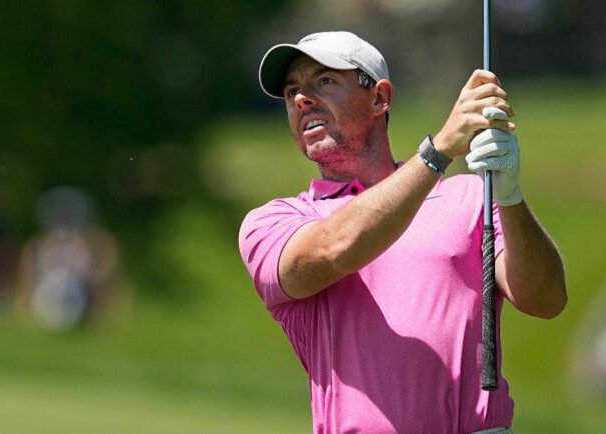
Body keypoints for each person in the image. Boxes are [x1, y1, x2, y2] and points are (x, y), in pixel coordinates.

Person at [238, 31, 567, 433]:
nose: (302, 99)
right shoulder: (275, 222)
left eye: (324, 81)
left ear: (379, 98)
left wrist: (510, 197)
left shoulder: (468, 198)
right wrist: (439, 151)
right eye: (292, 92)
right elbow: (333, 250)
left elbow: (546, 300)